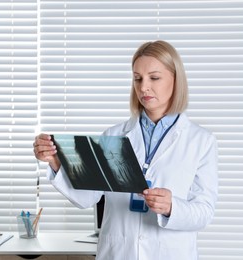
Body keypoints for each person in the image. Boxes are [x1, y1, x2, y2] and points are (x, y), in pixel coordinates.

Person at [33, 40, 218, 260]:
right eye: (137, 78)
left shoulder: (201, 141)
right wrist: (56, 162)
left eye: (154, 78)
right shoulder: (114, 136)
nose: (143, 87)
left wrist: (172, 207)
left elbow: (204, 212)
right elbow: (86, 198)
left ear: (176, 79)